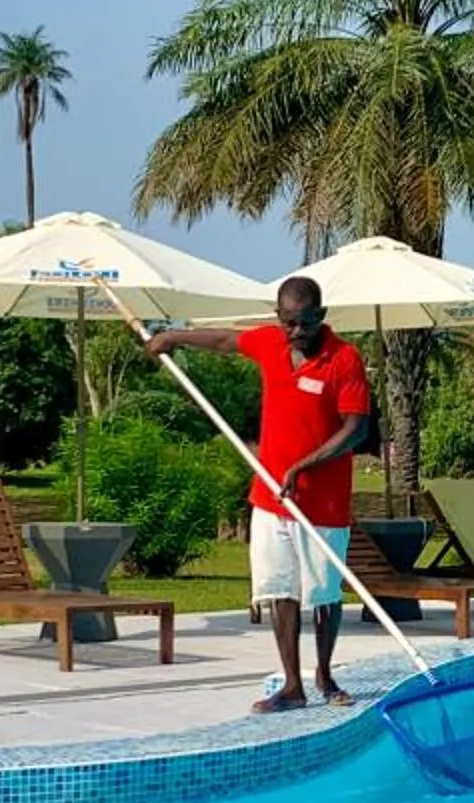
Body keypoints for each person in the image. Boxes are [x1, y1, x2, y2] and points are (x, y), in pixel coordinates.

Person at [140, 277, 374, 713]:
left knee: (323, 593)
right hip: (270, 498)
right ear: (278, 317)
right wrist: (173, 337)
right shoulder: (270, 343)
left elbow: (356, 428)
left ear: (321, 316)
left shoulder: (344, 358)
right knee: (278, 588)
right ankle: (291, 685)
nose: (296, 332)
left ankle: (324, 675)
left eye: (304, 323)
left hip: (322, 504)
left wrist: (305, 465)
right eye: (288, 323)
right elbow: (227, 340)